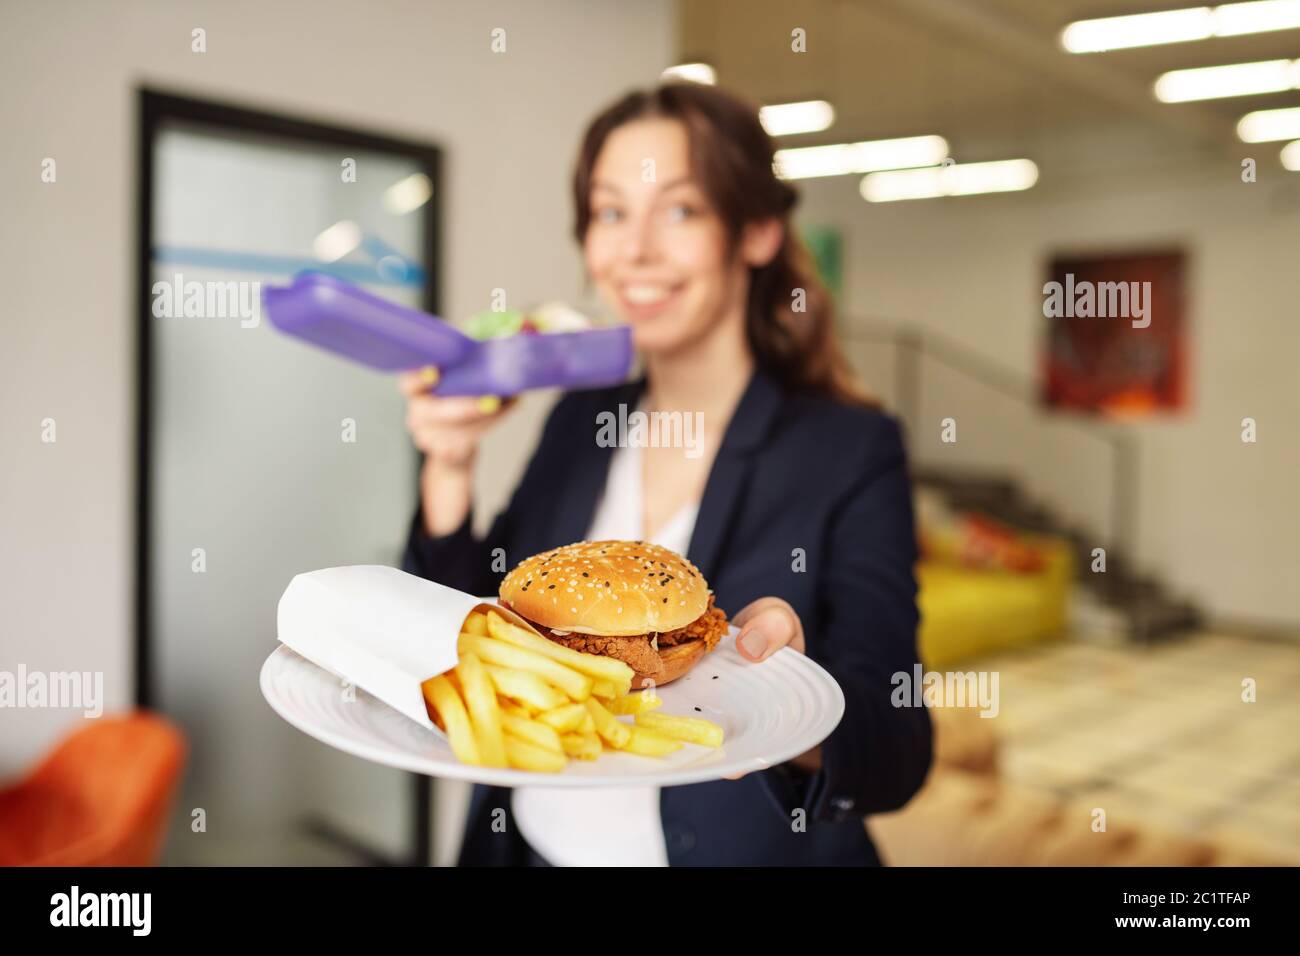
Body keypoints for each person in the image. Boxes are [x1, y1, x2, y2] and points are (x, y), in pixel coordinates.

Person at [400, 82, 931, 866]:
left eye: (679, 209)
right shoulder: (584, 416)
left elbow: (898, 749)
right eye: (611, 212)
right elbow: (470, 623)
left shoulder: (850, 449)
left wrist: (792, 698)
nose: (634, 250)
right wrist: (449, 464)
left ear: (754, 232)